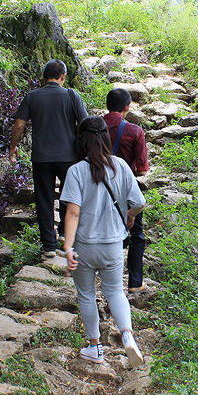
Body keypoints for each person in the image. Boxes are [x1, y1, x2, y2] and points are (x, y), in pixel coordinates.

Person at [59, 113, 146, 367]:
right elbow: (139, 203)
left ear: (81, 141)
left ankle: (94, 347)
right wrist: (130, 216)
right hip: (113, 246)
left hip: (85, 246)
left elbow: (73, 211)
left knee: (86, 294)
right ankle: (128, 337)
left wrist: (68, 247)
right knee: (115, 291)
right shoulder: (120, 166)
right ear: (105, 139)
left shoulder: (76, 171)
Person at [8, 59, 89, 258]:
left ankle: (48, 246)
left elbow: (19, 124)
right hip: (68, 157)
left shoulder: (32, 97)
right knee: (69, 195)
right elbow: (86, 123)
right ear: (63, 76)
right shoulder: (71, 95)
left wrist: (13, 147)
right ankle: (64, 233)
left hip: (41, 157)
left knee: (44, 198)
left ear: (43, 77)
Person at [103, 85, 152, 297]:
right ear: (127, 107)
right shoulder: (134, 131)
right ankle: (134, 282)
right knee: (137, 234)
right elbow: (142, 169)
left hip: (96, 183)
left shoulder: (92, 127)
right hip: (124, 189)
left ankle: (104, 280)